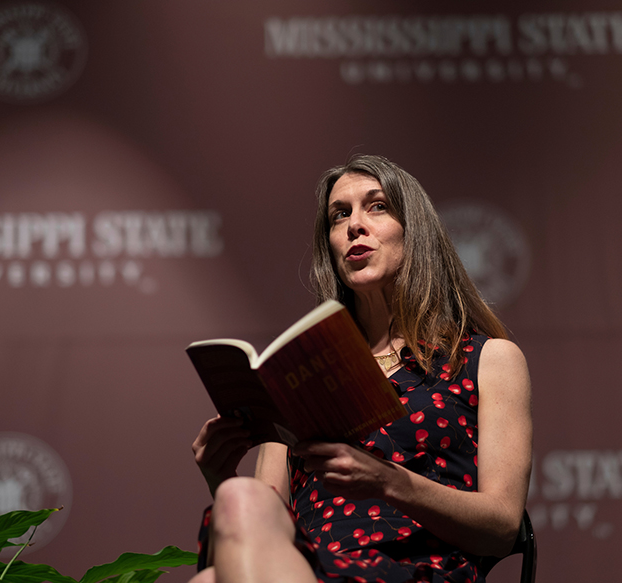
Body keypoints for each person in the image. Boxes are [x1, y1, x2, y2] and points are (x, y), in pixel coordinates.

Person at [191, 155, 532, 583]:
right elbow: (263, 520)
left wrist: (386, 480)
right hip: (309, 568)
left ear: (415, 232)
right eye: (339, 215)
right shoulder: (301, 374)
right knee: (236, 511)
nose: (354, 225)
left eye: (377, 206)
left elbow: (502, 527)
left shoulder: (488, 359)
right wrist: (220, 473)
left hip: (417, 570)